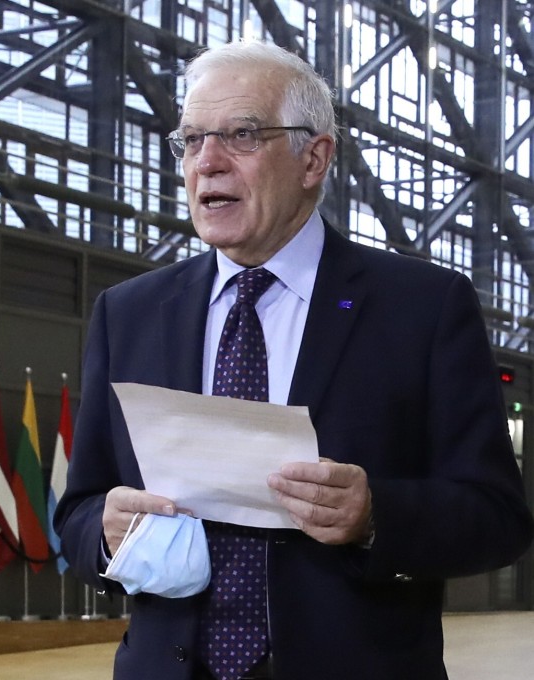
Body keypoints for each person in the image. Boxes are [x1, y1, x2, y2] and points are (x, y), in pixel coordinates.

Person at [53, 39, 533, 680]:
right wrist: (104, 532)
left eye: (242, 135)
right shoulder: (130, 312)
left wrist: (373, 515)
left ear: (314, 158)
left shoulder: (423, 308)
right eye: (192, 140)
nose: (208, 163)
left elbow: (496, 518)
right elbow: (78, 511)